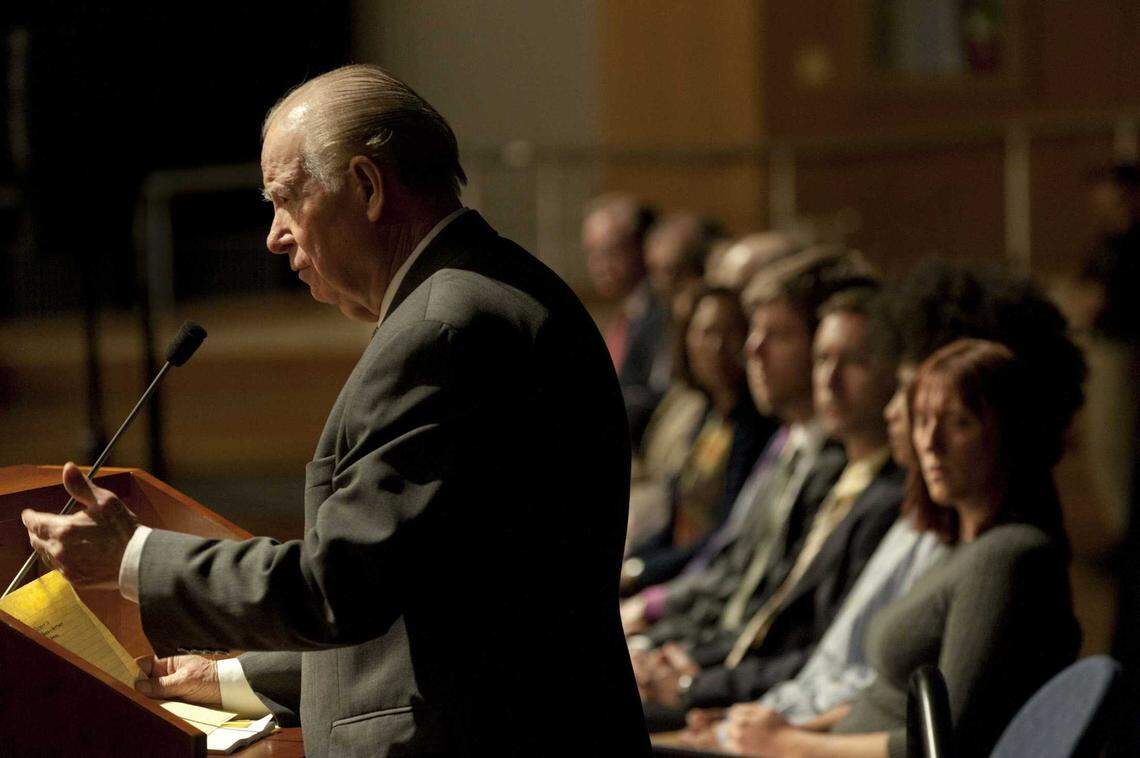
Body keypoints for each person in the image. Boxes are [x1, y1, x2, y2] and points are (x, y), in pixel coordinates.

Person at [19, 65, 650, 757]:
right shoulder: (490, 289)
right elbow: (440, 599)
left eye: (287, 200)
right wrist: (226, 677)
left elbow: (341, 588)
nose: (274, 236)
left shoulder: (443, 330)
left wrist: (133, 555)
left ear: (368, 187)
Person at [721, 339, 1081, 758]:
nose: (929, 443)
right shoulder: (959, 547)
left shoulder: (1006, 557)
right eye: (923, 420)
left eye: (958, 423)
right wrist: (780, 731)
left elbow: (945, 739)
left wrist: (793, 744)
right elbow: (886, 701)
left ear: (1008, 434)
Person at [638, 286, 903, 725]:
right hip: (739, 682)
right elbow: (747, 586)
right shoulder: (838, 474)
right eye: (823, 359)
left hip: (774, 709)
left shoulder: (883, 495)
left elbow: (817, 651)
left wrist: (694, 685)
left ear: (896, 376)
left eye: (854, 361)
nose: (830, 379)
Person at [623, 286, 776, 593]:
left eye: (731, 333)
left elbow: (726, 535)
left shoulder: (754, 427)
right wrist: (634, 563)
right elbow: (677, 519)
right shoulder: (710, 415)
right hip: (674, 570)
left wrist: (641, 573)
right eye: (707, 333)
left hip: (702, 582)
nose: (718, 347)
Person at [581, 192, 666, 447]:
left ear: (643, 246)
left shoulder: (661, 313)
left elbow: (649, 398)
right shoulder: (627, 314)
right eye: (591, 252)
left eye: (610, 251)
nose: (599, 265)